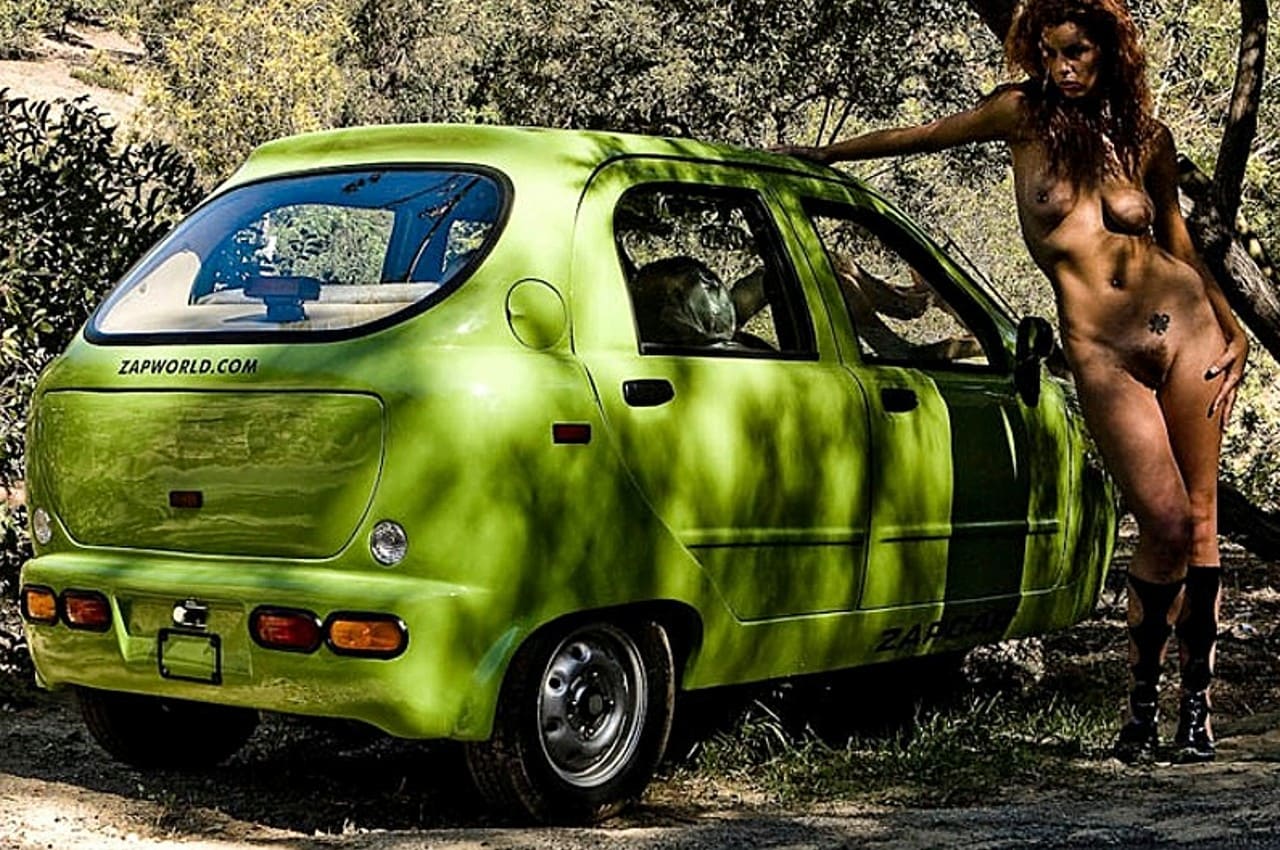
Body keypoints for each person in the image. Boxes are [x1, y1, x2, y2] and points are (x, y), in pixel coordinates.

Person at [775, 0, 1248, 764]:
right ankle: (1140, 706)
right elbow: (924, 134)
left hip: (1188, 328)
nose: (1062, 69)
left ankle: (1194, 710)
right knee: (1160, 523)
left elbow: (1179, 242)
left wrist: (1235, 331)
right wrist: (824, 155)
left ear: (1108, 53)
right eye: (1050, 53)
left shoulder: (1145, 138)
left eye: (1077, 53)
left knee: (1199, 522)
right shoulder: (1021, 116)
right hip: (1103, 351)